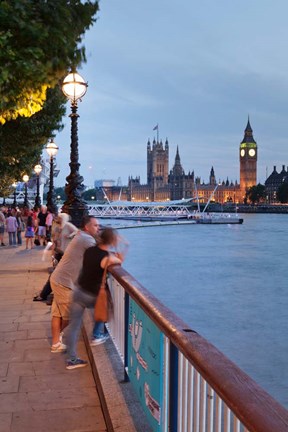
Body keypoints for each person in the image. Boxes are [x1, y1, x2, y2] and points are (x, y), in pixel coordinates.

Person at [65, 227, 127, 370]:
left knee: (73, 326)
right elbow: (119, 260)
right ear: (111, 240)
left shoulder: (90, 251)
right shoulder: (107, 257)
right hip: (92, 295)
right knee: (107, 306)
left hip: (79, 291)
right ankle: (97, 334)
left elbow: (100, 254)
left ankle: (72, 359)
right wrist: (121, 245)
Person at [49, 215, 99, 353]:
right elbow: (100, 253)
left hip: (58, 278)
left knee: (57, 314)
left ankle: (55, 343)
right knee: (69, 316)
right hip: (64, 282)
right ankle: (61, 345)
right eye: (95, 225)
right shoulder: (86, 239)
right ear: (87, 227)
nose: (98, 228)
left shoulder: (81, 235)